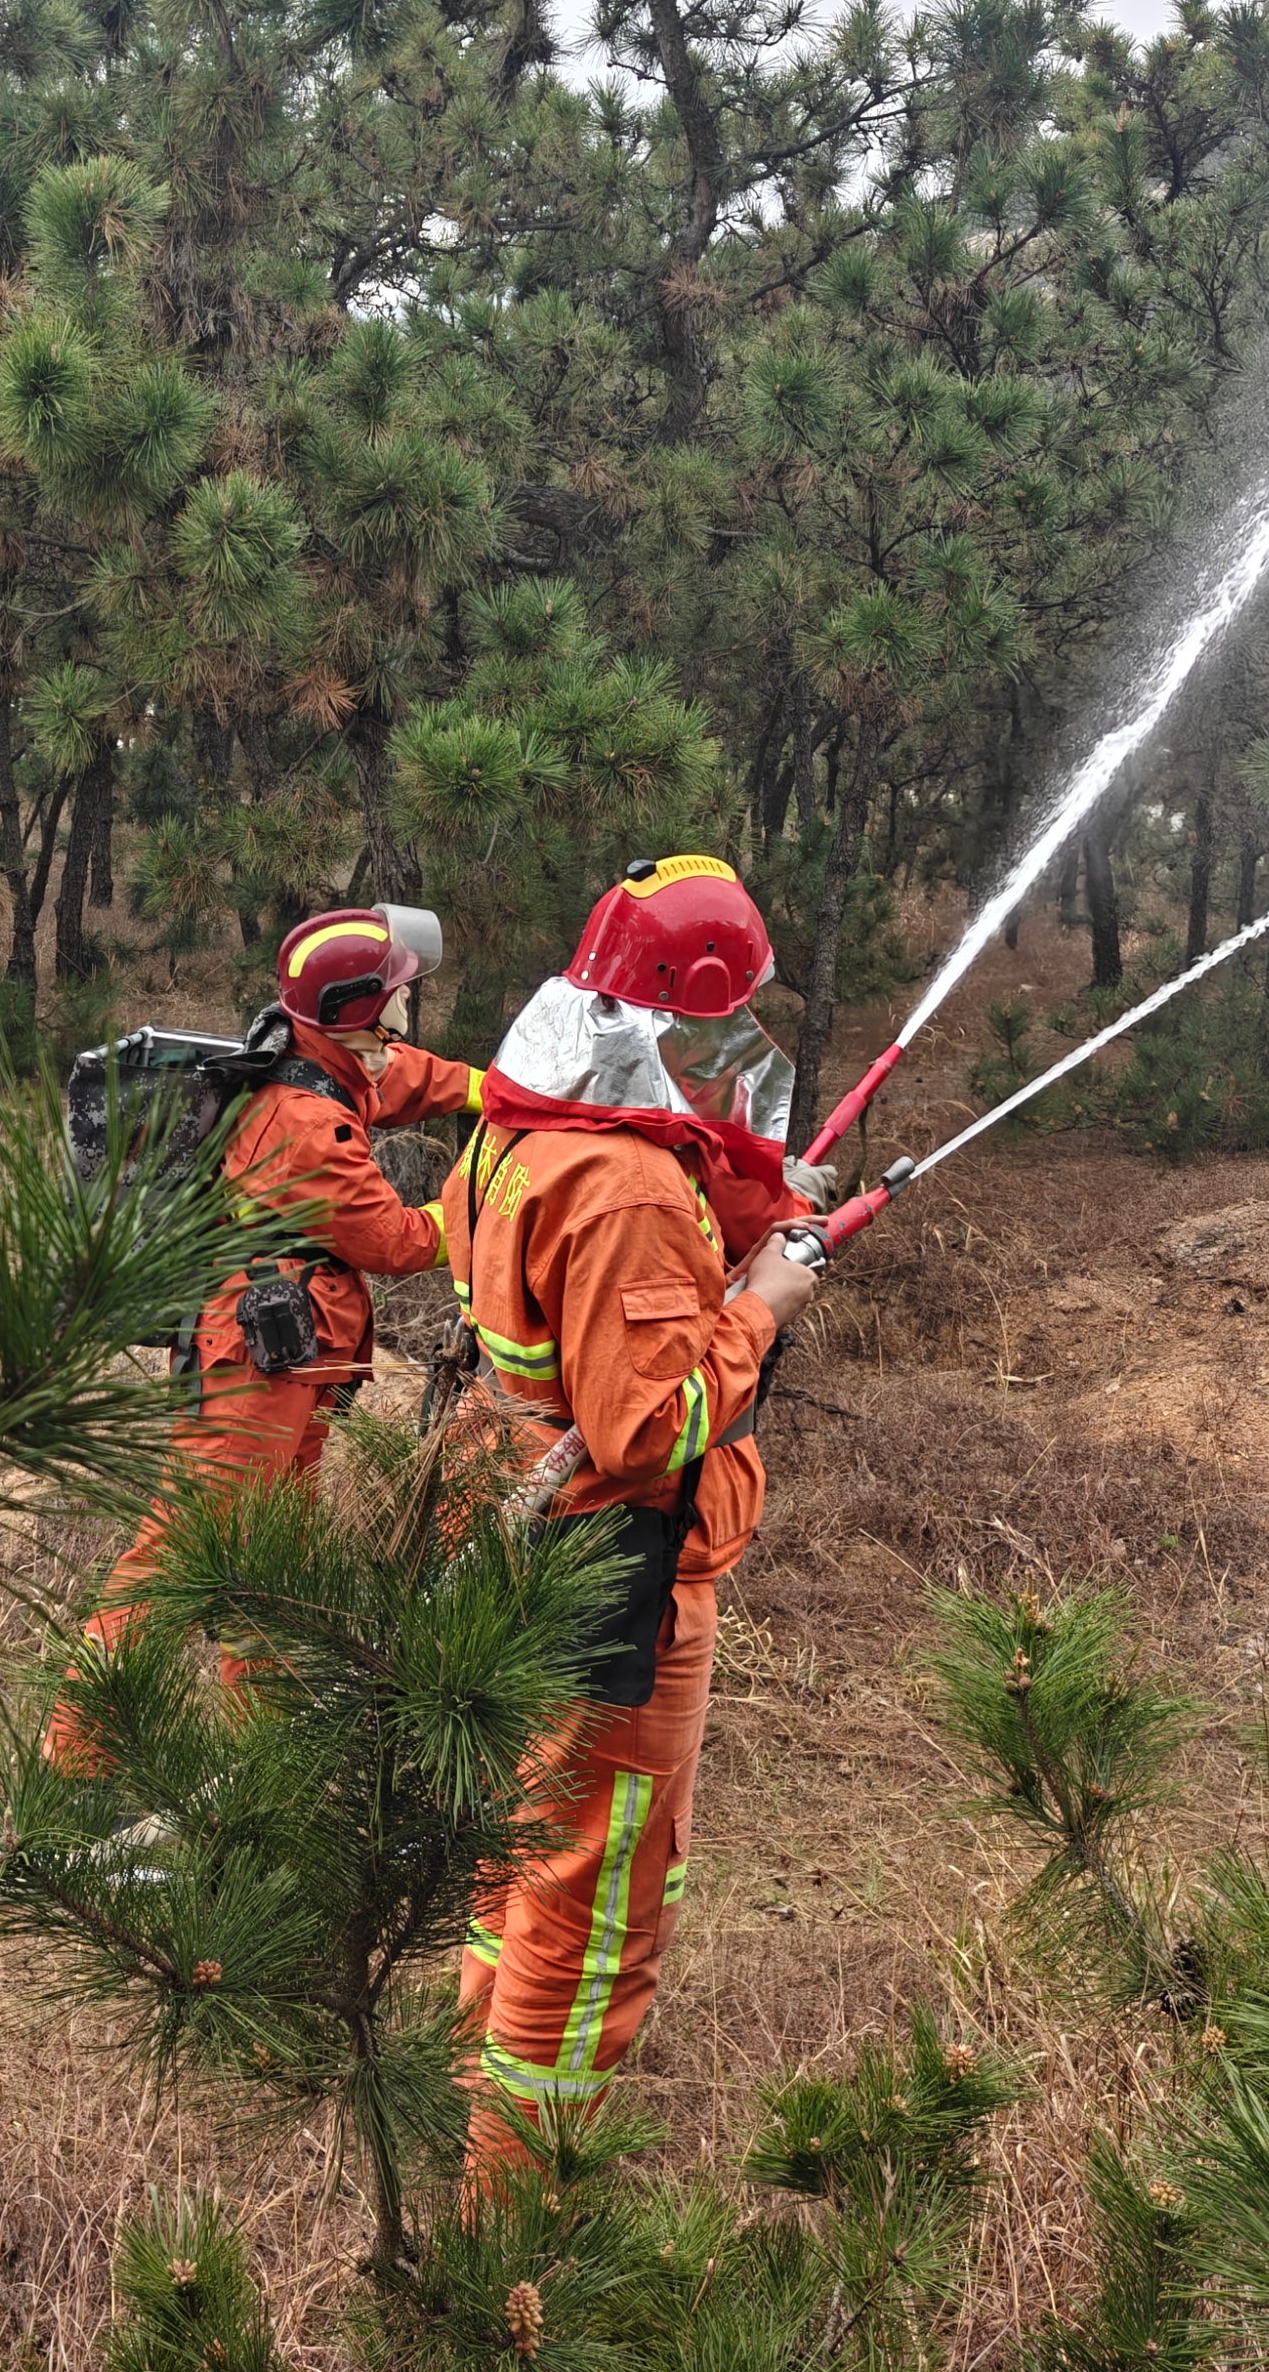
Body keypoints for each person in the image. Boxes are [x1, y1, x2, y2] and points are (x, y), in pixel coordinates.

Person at [436, 853, 828, 2183]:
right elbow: (647, 1427)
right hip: (615, 1572)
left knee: (517, 1863)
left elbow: (570, 1313)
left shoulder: (524, 1126)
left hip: (515, 1524)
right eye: (731, 1016)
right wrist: (761, 1302)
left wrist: (744, 1218)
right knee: (593, 1901)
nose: (741, 1039)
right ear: (685, 1014)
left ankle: (466, 2103)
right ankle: (517, 2219)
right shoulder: (630, 1191)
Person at [55, 903, 484, 1741]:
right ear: (361, 1009)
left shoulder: (316, 1054)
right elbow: (396, 1242)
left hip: (285, 1356)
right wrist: (487, 1199)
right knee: (178, 1558)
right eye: (399, 989)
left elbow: (402, 1077)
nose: (409, 1000)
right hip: (253, 1366)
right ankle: (73, 1756)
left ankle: (264, 1748)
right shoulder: (305, 1124)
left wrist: (496, 1092)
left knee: (268, 1562)